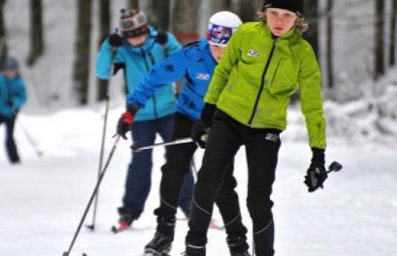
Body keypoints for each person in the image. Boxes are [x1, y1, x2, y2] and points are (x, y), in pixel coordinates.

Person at [182, 1, 328, 255]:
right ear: (265, 13)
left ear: (297, 18)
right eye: (274, 13)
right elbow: (223, 72)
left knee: (258, 201)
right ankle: (194, 248)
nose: (279, 21)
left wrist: (318, 154)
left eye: (286, 15)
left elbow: (312, 105)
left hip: (266, 129)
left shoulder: (302, 53)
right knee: (207, 181)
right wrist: (206, 115)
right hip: (228, 118)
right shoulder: (246, 34)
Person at [117, 11, 251, 256]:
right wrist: (131, 110)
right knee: (173, 169)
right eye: (215, 46)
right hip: (188, 116)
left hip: (223, 123)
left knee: (222, 181)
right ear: (208, 41)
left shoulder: (247, 61)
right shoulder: (193, 55)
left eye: (227, 47)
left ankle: (238, 243)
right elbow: (156, 76)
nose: (220, 53)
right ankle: (163, 235)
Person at [95, 9, 188, 230]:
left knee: (180, 159)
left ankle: (192, 208)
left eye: (139, 34)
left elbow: (182, 64)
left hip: (169, 110)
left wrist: (171, 44)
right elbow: (102, 72)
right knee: (140, 163)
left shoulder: (162, 43)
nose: (135, 40)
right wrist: (109, 45)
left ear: (146, 29)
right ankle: (129, 213)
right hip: (140, 115)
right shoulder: (123, 50)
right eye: (131, 36)